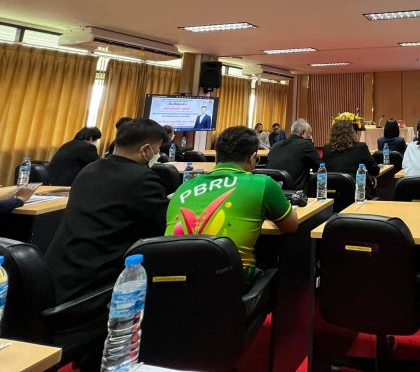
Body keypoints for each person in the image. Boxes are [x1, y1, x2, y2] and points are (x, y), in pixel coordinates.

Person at [45, 119, 169, 303]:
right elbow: (164, 224)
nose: (157, 154)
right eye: (157, 149)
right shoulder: (142, 178)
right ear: (145, 150)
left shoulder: (88, 170)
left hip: (57, 280)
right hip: (97, 289)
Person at [166, 126, 298, 281]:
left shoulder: (183, 188)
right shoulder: (263, 184)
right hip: (230, 282)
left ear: (217, 157)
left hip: (176, 282)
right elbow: (291, 225)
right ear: (253, 158)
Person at [322, 119, 379, 198]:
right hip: (357, 194)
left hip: (332, 193)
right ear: (352, 133)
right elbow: (375, 170)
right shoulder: (361, 147)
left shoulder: (327, 149)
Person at [267, 118, 321, 190]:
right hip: (295, 193)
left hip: (272, 191)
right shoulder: (306, 145)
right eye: (309, 134)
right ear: (303, 133)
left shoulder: (275, 146)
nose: (310, 137)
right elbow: (321, 168)